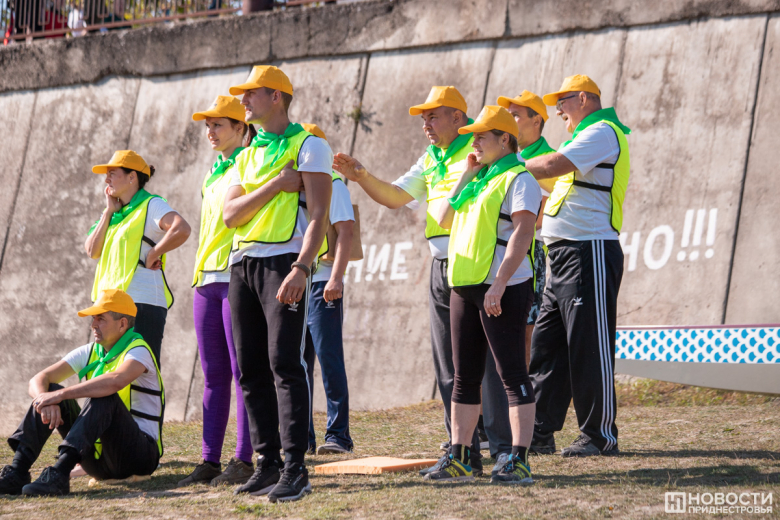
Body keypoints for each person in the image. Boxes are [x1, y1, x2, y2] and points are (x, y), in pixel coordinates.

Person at [333, 86, 513, 477]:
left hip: (478, 264)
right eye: (423, 118)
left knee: (490, 364)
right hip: (442, 265)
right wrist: (361, 176)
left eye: (433, 116)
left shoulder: (479, 149)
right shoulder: (431, 158)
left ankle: (503, 451)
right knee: (449, 363)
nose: (425, 124)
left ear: (458, 118)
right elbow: (395, 196)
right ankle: (462, 449)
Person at [223, 65, 333, 502]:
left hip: (284, 262)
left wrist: (302, 268)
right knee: (250, 369)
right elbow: (231, 216)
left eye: (252, 93)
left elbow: (320, 215)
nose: (244, 101)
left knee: (284, 363)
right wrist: (276, 185)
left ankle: (295, 468)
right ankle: (266, 463)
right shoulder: (246, 153)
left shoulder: (309, 145)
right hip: (242, 264)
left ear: (277, 97)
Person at [426, 105, 541, 484]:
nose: (473, 142)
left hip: (502, 288)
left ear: (504, 139)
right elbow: (443, 218)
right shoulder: (479, 179)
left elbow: (523, 233)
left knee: (512, 374)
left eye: (480, 136)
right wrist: (466, 175)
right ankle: (460, 457)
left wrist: (501, 282)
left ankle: (518, 459)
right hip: (465, 285)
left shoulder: (519, 178)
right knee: (464, 377)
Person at [523, 75, 631, 457]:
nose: (558, 111)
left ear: (583, 99)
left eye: (563, 101)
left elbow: (554, 163)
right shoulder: (582, 137)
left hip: (589, 252)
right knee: (547, 348)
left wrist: (510, 166)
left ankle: (599, 436)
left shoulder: (602, 131)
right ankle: (539, 432)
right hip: (563, 256)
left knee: (588, 347)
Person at [0, 290, 165, 496]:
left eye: (101, 319)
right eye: (93, 319)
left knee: (104, 393)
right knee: (49, 389)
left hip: (139, 457)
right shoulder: (91, 350)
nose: (93, 325)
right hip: (98, 461)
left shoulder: (139, 350)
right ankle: (17, 471)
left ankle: (60, 473)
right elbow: (38, 378)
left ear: (122, 324)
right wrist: (46, 400)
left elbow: (115, 380)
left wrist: (61, 395)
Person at [178, 96, 256, 487]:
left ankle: (244, 459)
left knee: (243, 373)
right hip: (205, 281)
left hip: (235, 275)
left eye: (218, 125)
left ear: (241, 127)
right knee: (213, 376)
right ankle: (209, 460)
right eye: (207, 126)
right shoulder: (213, 171)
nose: (210, 132)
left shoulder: (250, 162)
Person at [84, 150, 192, 367]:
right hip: (111, 307)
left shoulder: (151, 204)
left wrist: (154, 252)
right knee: (110, 373)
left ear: (132, 177)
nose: (106, 180)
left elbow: (182, 228)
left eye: (112, 173)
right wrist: (108, 212)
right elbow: (92, 250)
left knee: (141, 373)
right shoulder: (113, 214)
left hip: (142, 303)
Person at [300, 123, 355, 456]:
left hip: (323, 284)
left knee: (329, 359)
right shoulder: (297, 188)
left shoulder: (334, 184)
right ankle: (302, 437)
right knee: (298, 364)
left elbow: (346, 232)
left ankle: (339, 436)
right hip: (300, 284)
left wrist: (336, 278)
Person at [497, 90, 556, 368]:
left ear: (537, 121)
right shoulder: (504, 159)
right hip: (500, 252)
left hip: (532, 254)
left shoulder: (551, 161)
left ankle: (525, 391)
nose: (510, 121)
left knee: (527, 329)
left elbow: (543, 215)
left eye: (516, 115)